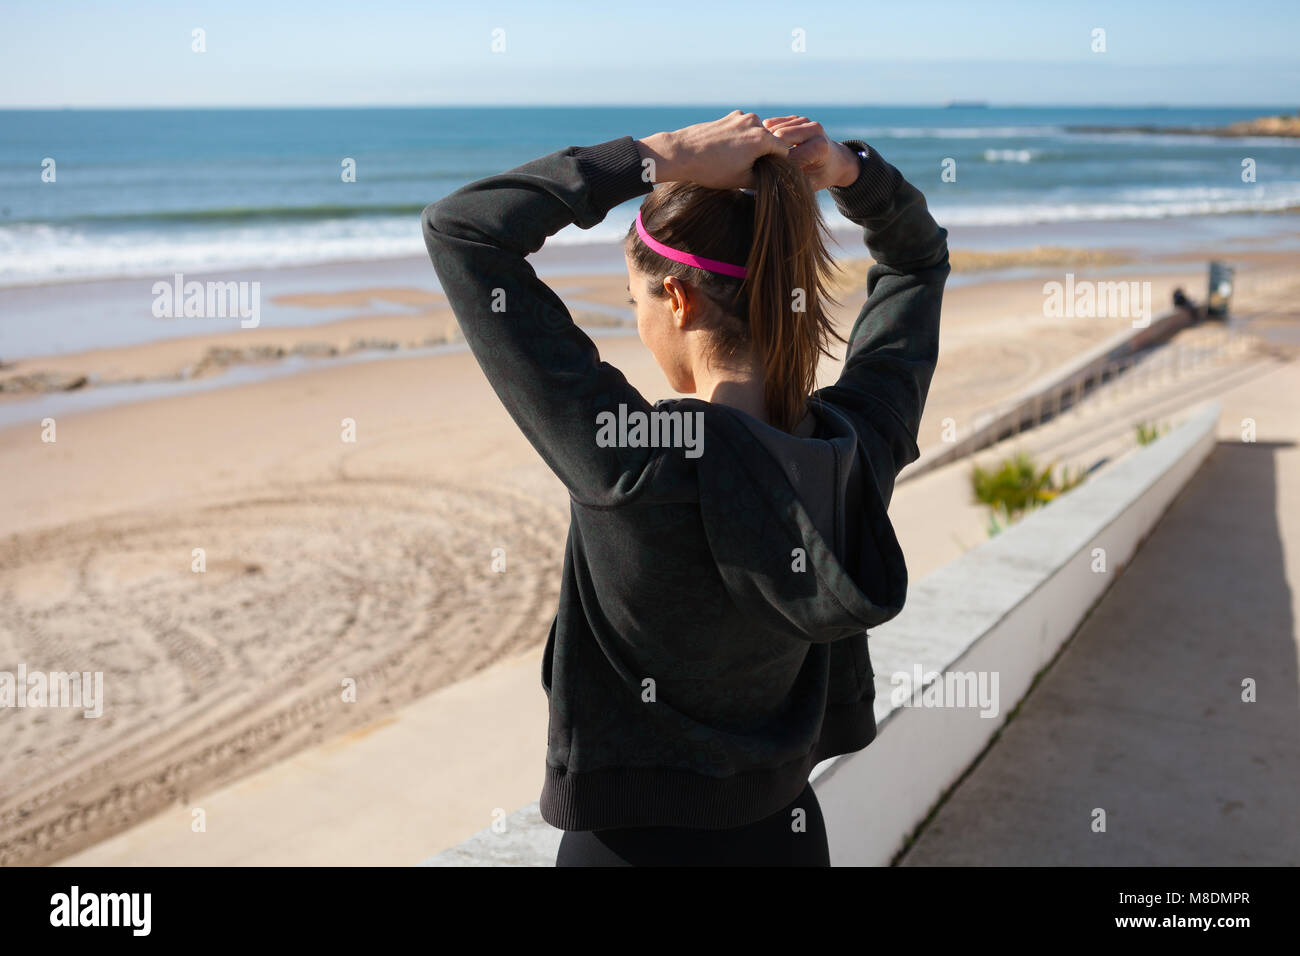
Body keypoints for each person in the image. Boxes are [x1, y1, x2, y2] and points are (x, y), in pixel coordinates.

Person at [422, 111, 948, 866]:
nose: (636, 323)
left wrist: (655, 157)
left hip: (624, 850)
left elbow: (462, 231)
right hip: (785, 840)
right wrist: (850, 173)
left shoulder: (631, 460)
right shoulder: (856, 448)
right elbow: (917, 264)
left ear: (678, 298)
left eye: (634, 302)